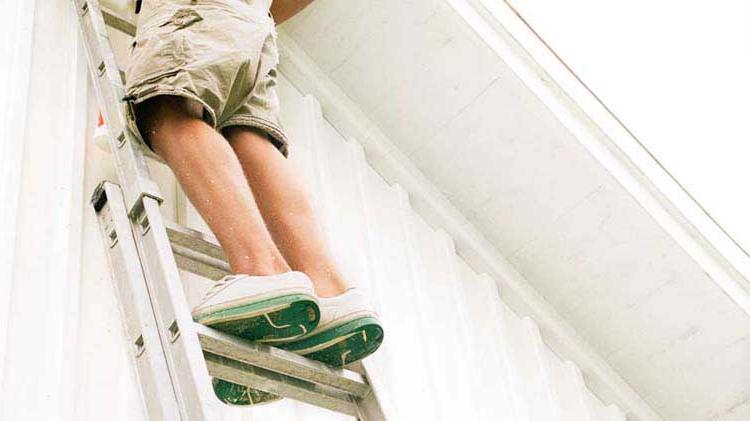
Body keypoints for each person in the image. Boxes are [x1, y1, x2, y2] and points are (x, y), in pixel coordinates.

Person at [123, 0, 384, 405]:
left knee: (166, 104)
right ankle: (331, 294)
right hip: (251, 21)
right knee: (248, 135)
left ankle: (262, 271)